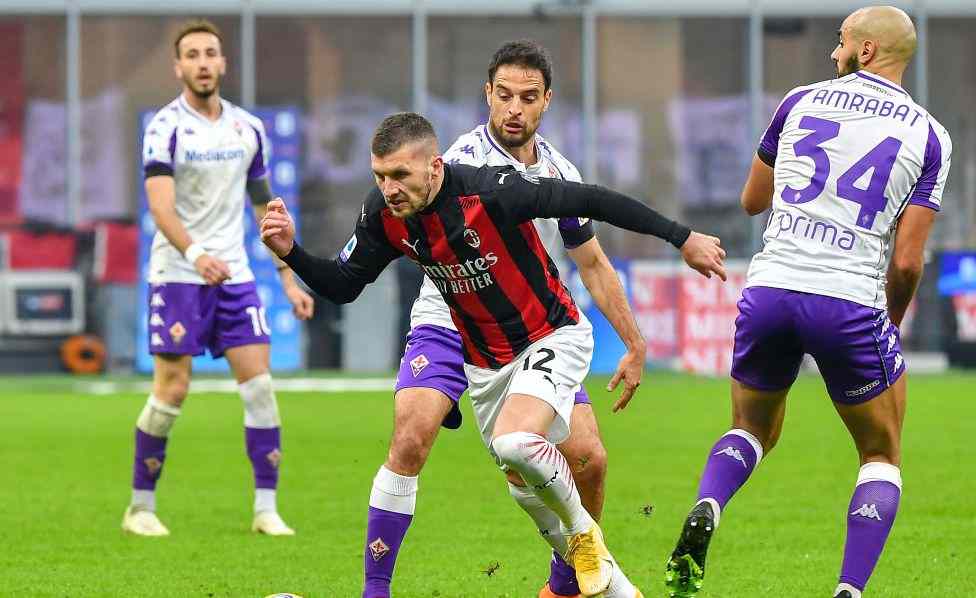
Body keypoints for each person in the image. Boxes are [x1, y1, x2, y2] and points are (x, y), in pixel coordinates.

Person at [261, 111, 726, 597]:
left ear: (434, 167)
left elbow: (592, 199)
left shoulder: (493, 191)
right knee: (522, 483)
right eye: (380, 176)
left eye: (400, 174)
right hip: (486, 364)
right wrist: (292, 251)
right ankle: (615, 585)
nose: (389, 188)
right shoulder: (383, 215)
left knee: (517, 444)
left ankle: (584, 536)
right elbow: (343, 284)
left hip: (551, 334)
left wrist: (681, 236)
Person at [663, 6, 952, 598]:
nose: (833, 51)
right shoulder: (928, 135)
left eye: (842, 41)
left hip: (771, 288)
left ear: (867, 51)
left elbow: (751, 200)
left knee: (751, 429)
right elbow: (906, 260)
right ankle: (849, 590)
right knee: (881, 453)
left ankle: (710, 504)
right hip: (848, 301)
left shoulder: (799, 101)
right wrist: (889, 325)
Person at [361, 40, 654, 598]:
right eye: (503, 95)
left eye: (527, 97)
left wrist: (633, 342)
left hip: (530, 330)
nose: (514, 108)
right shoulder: (457, 163)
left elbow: (590, 262)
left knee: (589, 460)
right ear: (487, 96)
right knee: (412, 435)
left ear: (547, 102)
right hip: (448, 317)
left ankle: (568, 582)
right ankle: (375, 592)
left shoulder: (559, 174)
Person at [121, 19, 314, 537]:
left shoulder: (248, 129)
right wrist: (197, 252)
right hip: (179, 273)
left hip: (235, 276)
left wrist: (288, 279)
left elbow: (262, 208)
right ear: (179, 67)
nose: (203, 62)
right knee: (173, 390)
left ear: (223, 63)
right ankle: (140, 508)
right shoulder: (165, 127)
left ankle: (266, 509)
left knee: (260, 389)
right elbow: (160, 207)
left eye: (211, 53)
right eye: (193, 54)